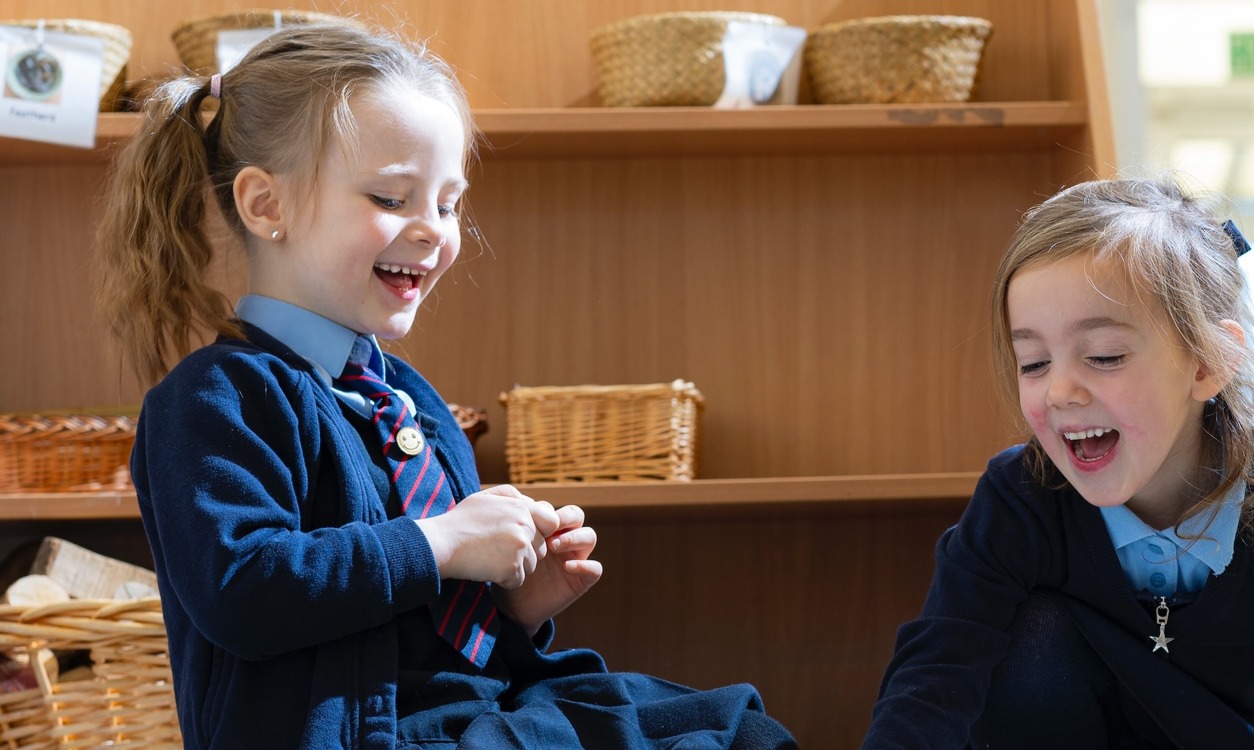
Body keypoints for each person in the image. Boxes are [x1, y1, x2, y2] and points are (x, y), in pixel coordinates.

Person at [95, 23, 794, 750]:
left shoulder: (412, 401)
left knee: (736, 729)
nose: (433, 230)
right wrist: (439, 544)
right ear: (266, 206)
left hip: (476, 718)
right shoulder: (215, 398)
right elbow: (244, 589)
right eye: (393, 198)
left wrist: (510, 606)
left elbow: (426, 637)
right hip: (369, 736)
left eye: (449, 203)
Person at [863, 178, 1254, 749]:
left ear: (1207, 364)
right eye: (1034, 363)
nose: (1059, 391)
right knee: (1031, 628)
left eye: (1103, 356)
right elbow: (935, 673)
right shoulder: (1021, 496)